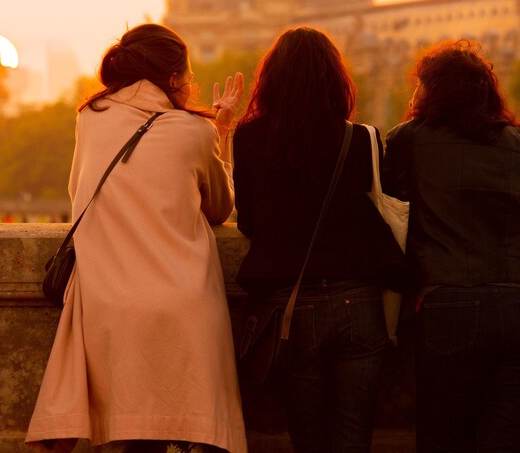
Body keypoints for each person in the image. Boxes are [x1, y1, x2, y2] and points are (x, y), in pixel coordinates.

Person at [26, 23, 247, 453]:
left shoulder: (89, 118)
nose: (191, 83)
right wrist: (222, 131)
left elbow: (80, 192)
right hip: (184, 306)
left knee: (130, 437)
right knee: (187, 434)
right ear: (172, 79)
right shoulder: (194, 131)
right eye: (188, 75)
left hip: (109, 305)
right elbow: (220, 207)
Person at [232, 26, 406, 452]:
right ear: (335, 78)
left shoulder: (249, 137)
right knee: (353, 439)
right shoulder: (363, 137)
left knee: (307, 440)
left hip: (291, 310)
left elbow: (249, 223)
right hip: (359, 305)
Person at [382, 40, 520, 452]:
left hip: (449, 302)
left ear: (432, 91)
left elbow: (388, 209)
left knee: (444, 437)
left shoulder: (409, 139)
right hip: (515, 302)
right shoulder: (516, 143)